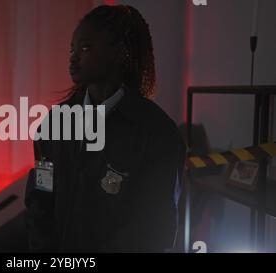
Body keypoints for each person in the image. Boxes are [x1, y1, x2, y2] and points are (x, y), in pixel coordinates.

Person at [25, 4, 186, 253]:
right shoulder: (54, 124)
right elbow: (40, 198)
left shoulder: (157, 133)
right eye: (72, 49)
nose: (73, 57)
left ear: (120, 53)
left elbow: (155, 228)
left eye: (86, 47)